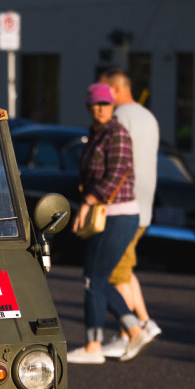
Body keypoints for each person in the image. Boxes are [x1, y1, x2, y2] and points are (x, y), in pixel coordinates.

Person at [68, 83, 150, 364]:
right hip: (107, 215)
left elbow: (116, 174)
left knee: (94, 279)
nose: (100, 108)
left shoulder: (117, 134)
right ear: (89, 107)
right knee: (96, 279)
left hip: (119, 214)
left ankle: (94, 346)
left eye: (105, 103)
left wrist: (89, 201)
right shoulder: (96, 134)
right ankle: (135, 328)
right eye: (95, 104)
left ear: (113, 106)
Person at [97, 67, 161, 360]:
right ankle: (145, 322)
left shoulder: (119, 119)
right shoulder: (148, 116)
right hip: (144, 206)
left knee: (115, 273)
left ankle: (128, 334)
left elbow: (116, 166)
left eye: (104, 92)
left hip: (123, 206)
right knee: (126, 266)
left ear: (117, 90)